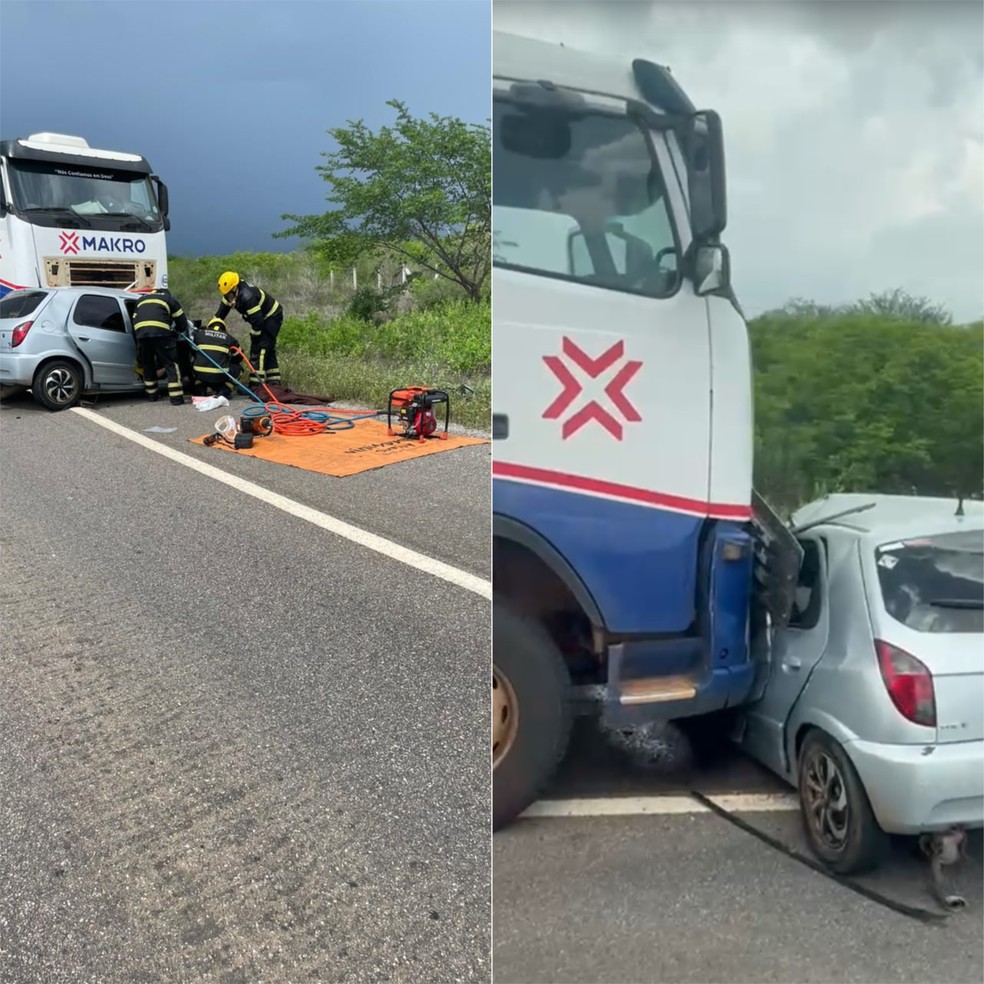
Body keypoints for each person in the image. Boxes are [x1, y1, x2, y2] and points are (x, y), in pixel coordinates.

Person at [215, 271, 283, 388]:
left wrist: (255, 338)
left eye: (229, 296)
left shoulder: (248, 297)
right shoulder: (230, 294)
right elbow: (220, 315)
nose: (227, 298)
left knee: (260, 348)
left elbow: (258, 322)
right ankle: (274, 382)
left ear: (235, 288)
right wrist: (214, 329)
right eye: (225, 295)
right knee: (268, 348)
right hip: (261, 319)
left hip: (271, 317)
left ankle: (257, 386)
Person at [132, 287, 189, 405]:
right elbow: (182, 322)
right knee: (171, 363)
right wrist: (174, 332)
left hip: (142, 334)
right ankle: (176, 398)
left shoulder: (141, 300)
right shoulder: (169, 300)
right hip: (161, 333)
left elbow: (134, 319)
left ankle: (152, 395)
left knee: (148, 363)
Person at [190, 317, 243, 399]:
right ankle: (224, 390)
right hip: (220, 375)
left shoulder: (199, 334)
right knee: (239, 370)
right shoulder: (229, 338)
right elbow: (239, 358)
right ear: (224, 329)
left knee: (192, 366)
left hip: (200, 373)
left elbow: (192, 352)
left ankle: (200, 389)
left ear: (209, 326)